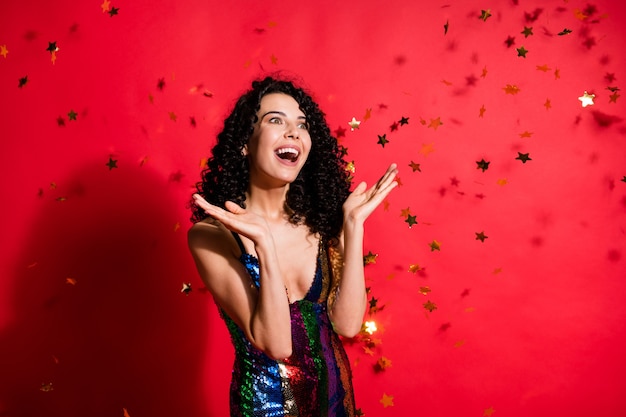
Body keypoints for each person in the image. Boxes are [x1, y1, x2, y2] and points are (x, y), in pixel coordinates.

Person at [188, 76, 398, 416]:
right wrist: (265, 248)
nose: (293, 132)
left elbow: (347, 325)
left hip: (336, 401)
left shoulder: (322, 224)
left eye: (302, 125)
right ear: (245, 141)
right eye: (275, 120)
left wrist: (352, 226)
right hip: (265, 407)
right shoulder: (211, 236)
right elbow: (277, 344)